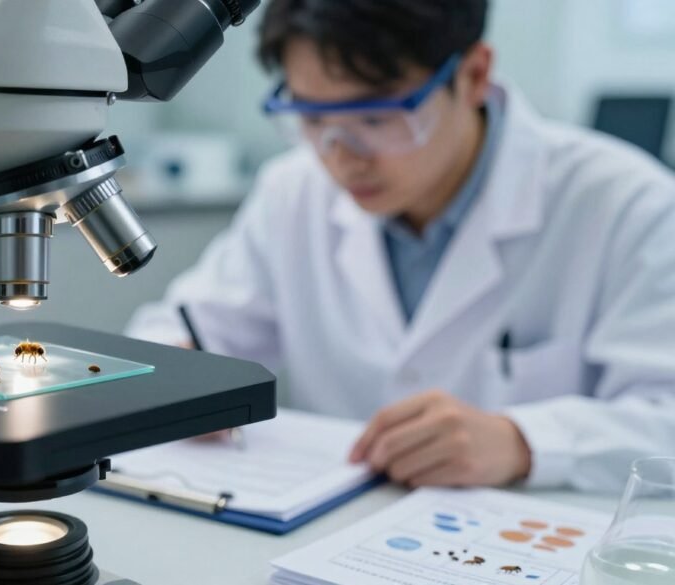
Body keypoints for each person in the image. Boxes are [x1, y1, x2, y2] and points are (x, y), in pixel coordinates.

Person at [125, 0, 675, 492]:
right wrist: (182, 372)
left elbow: (664, 418)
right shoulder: (292, 192)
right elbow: (181, 330)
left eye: (376, 117)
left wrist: (524, 442)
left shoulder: (627, 205)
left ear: (475, 74)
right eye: (312, 118)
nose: (343, 155)